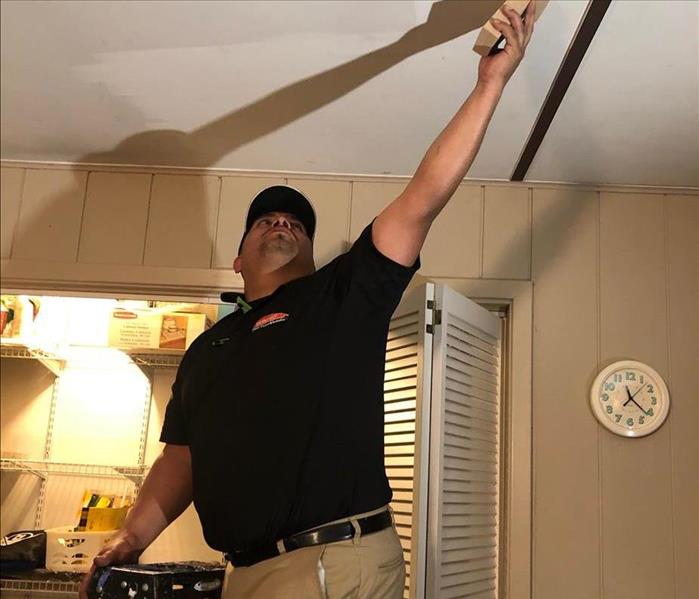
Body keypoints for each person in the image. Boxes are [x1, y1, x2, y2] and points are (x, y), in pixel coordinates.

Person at [79, 5, 534, 598]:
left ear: (315, 258)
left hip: (328, 562)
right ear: (238, 261)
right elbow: (181, 459)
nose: (279, 221)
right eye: (264, 218)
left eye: (295, 222)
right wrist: (130, 538)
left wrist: (489, 84)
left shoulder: (340, 297)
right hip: (242, 573)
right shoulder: (206, 350)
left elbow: (422, 198)